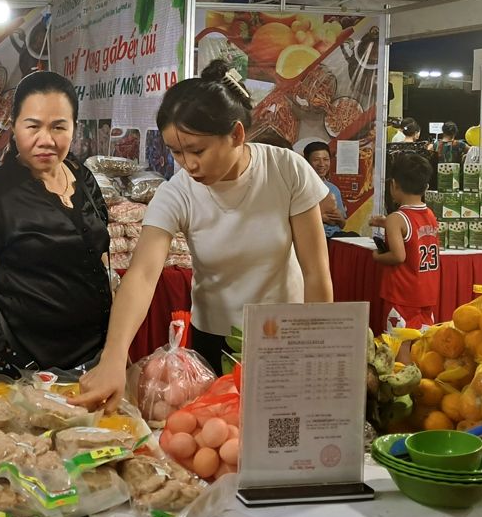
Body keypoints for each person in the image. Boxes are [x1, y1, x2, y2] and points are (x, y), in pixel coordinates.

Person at [72, 60, 332, 412]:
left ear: (237, 135)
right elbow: (143, 275)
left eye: (197, 150)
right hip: (216, 339)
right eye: (177, 152)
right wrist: (114, 358)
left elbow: (315, 270)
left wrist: (318, 346)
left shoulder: (287, 170)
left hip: (286, 336)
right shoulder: (177, 192)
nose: (188, 164)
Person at [0, 71, 111, 377]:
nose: (47, 140)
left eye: (59, 127)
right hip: (27, 373)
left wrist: (117, 353)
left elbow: (101, 264)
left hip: (95, 366)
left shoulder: (83, 178)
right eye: (33, 126)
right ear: (13, 127)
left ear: (74, 128)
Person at [372, 153, 439, 334]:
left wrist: (376, 255)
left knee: (399, 341)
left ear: (394, 184)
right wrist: (387, 222)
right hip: (427, 290)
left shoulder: (397, 218)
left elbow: (398, 256)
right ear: (426, 187)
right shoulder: (430, 214)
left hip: (403, 292)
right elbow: (414, 232)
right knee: (422, 343)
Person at [303, 141, 354, 238]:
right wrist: (321, 218)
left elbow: (342, 225)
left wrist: (340, 219)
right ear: (307, 162)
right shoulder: (300, 187)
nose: (322, 164)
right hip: (314, 238)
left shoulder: (333, 189)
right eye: (316, 160)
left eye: (325, 159)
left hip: (336, 236)